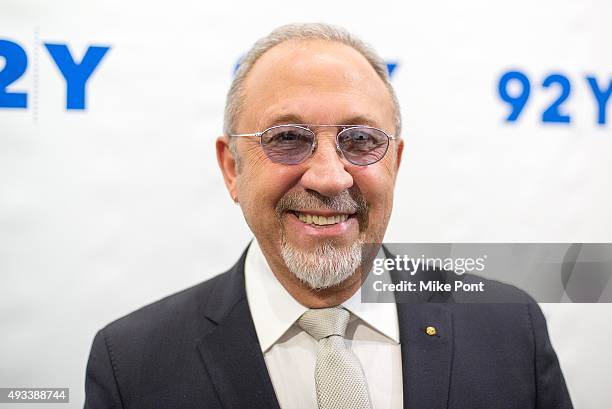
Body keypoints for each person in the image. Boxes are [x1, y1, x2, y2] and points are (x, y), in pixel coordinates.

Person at [84, 23, 573, 409]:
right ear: (232, 168)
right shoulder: (132, 363)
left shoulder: (509, 327)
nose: (330, 178)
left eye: (361, 141)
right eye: (287, 138)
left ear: (395, 163)